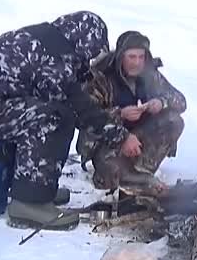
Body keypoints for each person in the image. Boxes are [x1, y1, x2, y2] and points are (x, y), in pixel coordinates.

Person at [0, 11, 126, 231]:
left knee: (49, 113)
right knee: (52, 119)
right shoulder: (51, 58)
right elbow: (78, 108)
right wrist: (121, 137)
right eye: (90, 51)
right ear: (83, 40)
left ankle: (36, 187)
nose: (90, 58)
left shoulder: (48, 42)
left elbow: (73, 90)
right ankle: (29, 201)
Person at [76, 30, 186, 198]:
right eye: (132, 57)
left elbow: (180, 100)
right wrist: (120, 114)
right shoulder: (102, 79)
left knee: (173, 120)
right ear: (121, 57)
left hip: (140, 136)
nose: (137, 63)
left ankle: (142, 170)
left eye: (141, 57)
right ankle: (128, 177)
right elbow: (87, 118)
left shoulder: (151, 76)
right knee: (109, 180)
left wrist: (161, 102)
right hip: (108, 143)